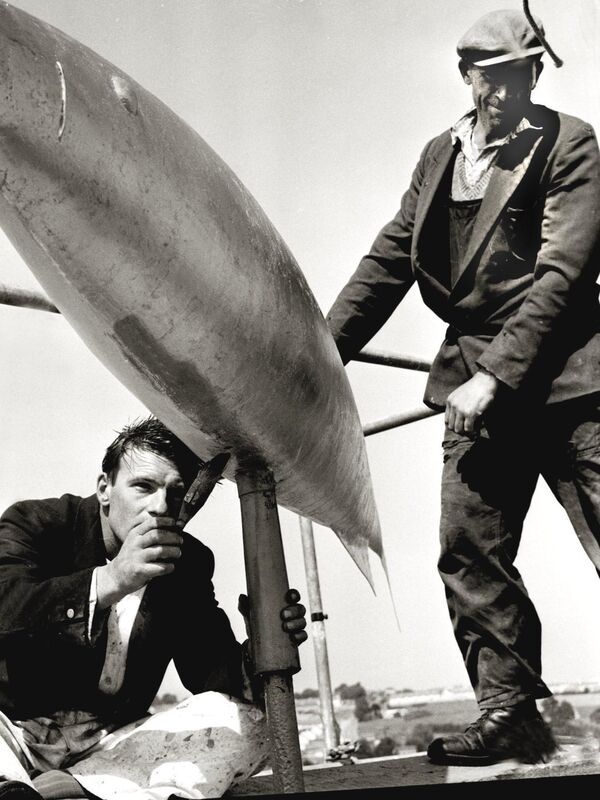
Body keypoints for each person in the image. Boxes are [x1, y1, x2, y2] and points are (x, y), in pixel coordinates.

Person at [327, 8, 600, 766]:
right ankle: (510, 714)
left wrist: (494, 376)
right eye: (493, 77)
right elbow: (390, 259)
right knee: (468, 547)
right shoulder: (439, 156)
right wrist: (318, 355)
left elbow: (562, 276)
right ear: (466, 76)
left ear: (536, 72)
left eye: (523, 74)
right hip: (478, 382)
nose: (509, 91)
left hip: (570, 380)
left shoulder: (569, 142)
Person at [0, 416, 307, 799]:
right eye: (143, 487)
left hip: (109, 748)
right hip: (14, 730)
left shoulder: (187, 563)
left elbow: (211, 677)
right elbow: (7, 607)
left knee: (251, 725)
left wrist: (261, 649)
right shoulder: (37, 523)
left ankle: (77, 788)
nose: (160, 506)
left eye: (175, 493)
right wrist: (110, 580)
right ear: (104, 488)